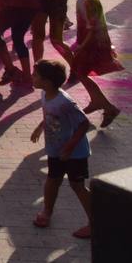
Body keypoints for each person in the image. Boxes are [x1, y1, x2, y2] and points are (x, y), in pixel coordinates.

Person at [30, 59, 93, 239]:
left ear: (47, 81)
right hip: (55, 150)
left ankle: (95, 222)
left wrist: (69, 147)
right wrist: (40, 127)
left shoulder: (64, 101)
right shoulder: (45, 94)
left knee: (77, 186)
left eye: (36, 76)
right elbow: (49, 114)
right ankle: (47, 212)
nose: (32, 78)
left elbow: (84, 124)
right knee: (52, 180)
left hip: (75, 153)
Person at [63, 0, 121, 127]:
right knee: (80, 72)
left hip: (93, 43)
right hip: (87, 42)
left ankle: (108, 107)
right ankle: (98, 102)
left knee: (80, 72)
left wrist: (81, 46)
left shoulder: (90, 0)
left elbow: (93, 27)